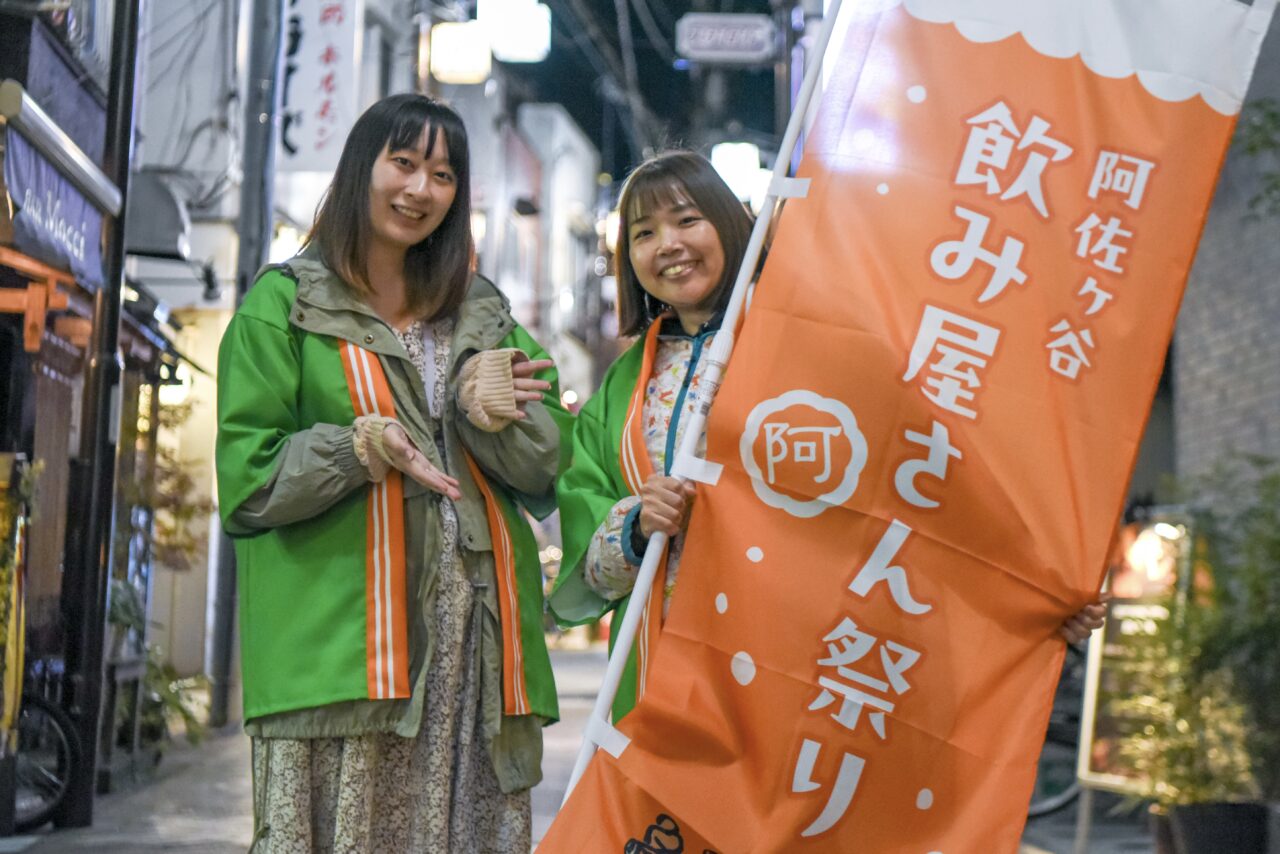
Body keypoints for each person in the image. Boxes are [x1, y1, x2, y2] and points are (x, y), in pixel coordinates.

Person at [549, 150, 1106, 724]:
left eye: (688, 220)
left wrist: (1036, 590)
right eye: (644, 233)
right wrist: (638, 525)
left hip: (798, 666)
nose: (667, 243)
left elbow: (925, 477)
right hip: (658, 679)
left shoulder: (815, 343)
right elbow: (587, 549)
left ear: (733, 222)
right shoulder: (622, 386)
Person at [215, 94, 569, 852]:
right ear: (360, 168)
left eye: (442, 174)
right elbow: (248, 482)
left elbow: (549, 465)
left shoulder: (481, 316)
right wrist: (358, 448)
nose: (420, 190)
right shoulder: (282, 307)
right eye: (403, 163)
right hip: (343, 650)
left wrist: (486, 409)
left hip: (472, 654)